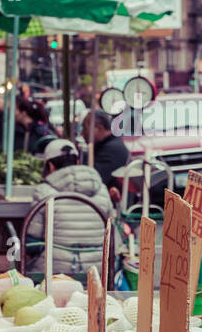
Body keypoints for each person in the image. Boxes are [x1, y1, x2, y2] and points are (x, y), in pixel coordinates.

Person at [27, 139, 112, 277]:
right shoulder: (102, 189)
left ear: (50, 165)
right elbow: (113, 232)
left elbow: (32, 240)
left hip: (55, 271)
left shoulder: (43, 191)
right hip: (98, 270)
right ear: (78, 161)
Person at [82, 109, 129, 190]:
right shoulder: (107, 145)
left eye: (85, 128)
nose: (82, 133)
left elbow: (93, 181)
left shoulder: (113, 150)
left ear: (99, 128)